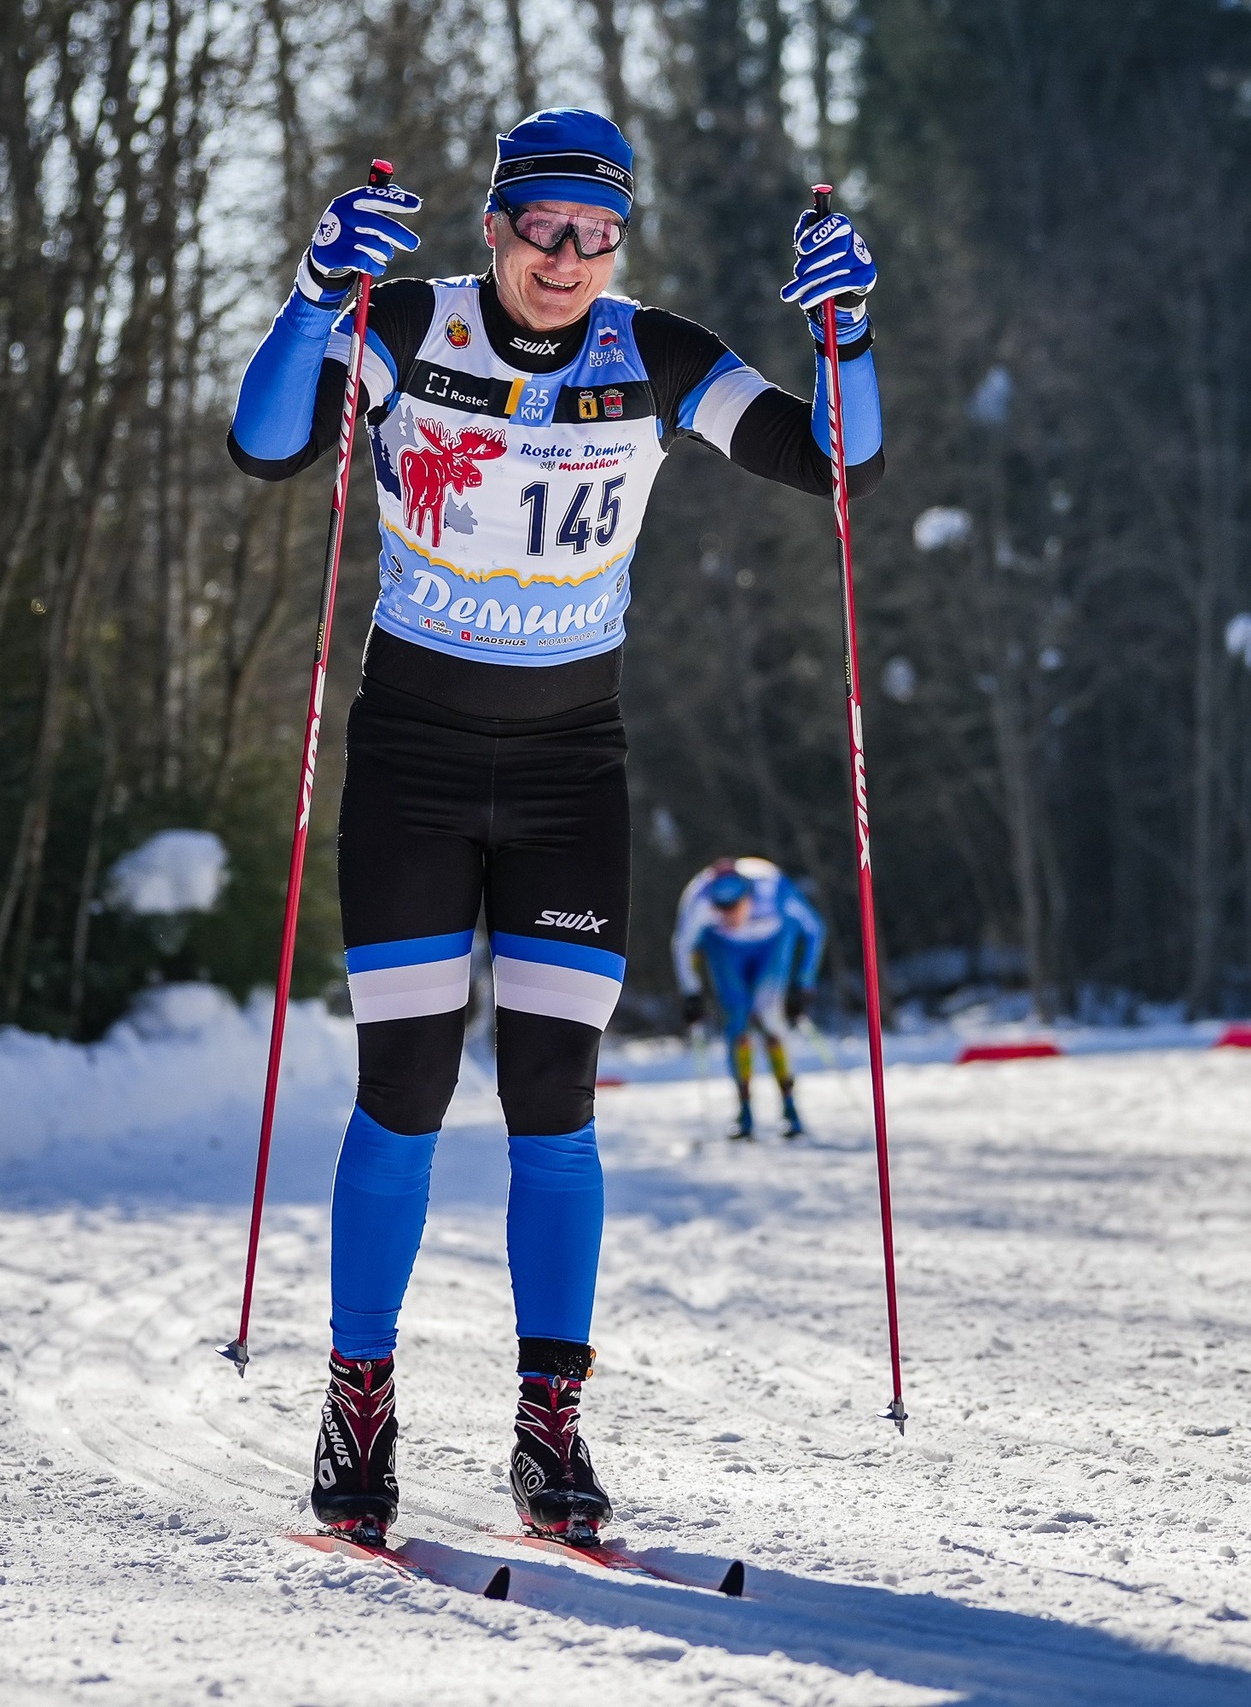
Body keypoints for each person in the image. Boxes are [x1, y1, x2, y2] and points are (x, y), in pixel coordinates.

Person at [224, 109, 883, 1547]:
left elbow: (834, 464)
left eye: (598, 233)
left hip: (572, 771)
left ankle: (550, 1422)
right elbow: (268, 443)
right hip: (413, 758)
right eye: (544, 228)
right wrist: (312, 296)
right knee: (401, 1089)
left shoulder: (652, 352)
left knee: (555, 1106)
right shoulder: (412, 323)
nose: (569, 258)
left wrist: (848, 335)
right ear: (497, 225)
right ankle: (356, 1403)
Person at [672, 857, 827, 1139]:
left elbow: (814, 929)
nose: (729, 916)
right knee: (737, 1018)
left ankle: (790, 1108)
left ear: (749, 895)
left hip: (773, 944)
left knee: (769, 1013)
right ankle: (744, 1112)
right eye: (721, 909)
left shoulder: (773, 888)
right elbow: (683, 944)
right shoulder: (699, 899)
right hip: (725, 950)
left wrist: (804, 984)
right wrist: (691, 992)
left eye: (734, 907)